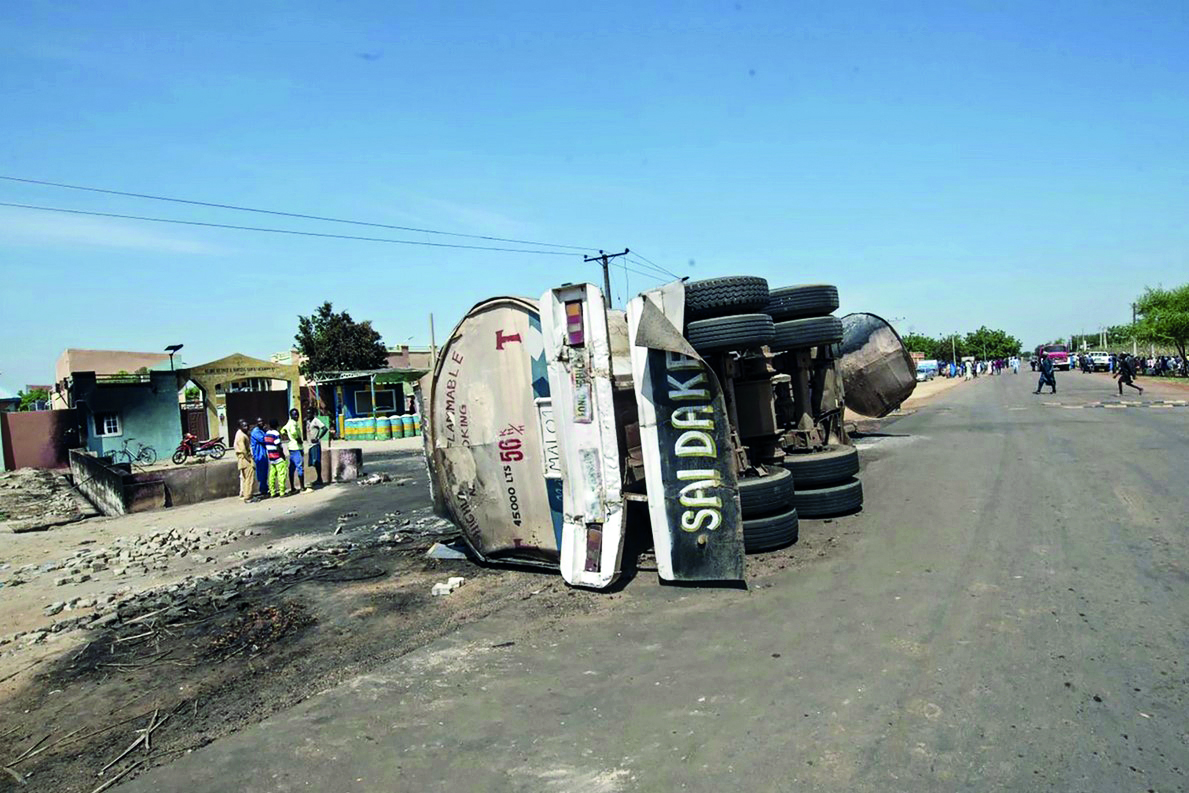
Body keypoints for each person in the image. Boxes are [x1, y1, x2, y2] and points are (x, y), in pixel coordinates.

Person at [281, 407, 307, 493]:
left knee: (292, 468)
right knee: (299, 467)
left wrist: (287, 436)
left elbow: (282, 430)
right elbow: (293, 432)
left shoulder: (289, 423)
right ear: (291, 416)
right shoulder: (293, 424)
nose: (296, 416)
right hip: (296, 447)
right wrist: (297, 438)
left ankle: (292, 487)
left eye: (297, 414)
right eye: (294, 415)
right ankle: (302, 487)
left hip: (291, 447)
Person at [233, 419, 254, 503]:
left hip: (242, 458)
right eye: (244, 426)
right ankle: (248, 496)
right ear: (240, 427)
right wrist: (249, 459)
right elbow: (243, 449)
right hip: (245, 458)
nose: (246, 427)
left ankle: (246, 495)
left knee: (245, 478)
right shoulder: (241, 436)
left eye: (247, 425)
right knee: (249, 478)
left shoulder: (240, 434)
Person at [264, 419, 287, 497]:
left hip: (271, 457)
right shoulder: (276, 434)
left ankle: (272, 492)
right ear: (277, 426)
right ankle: (282, 492)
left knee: (272, 475)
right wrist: (282, 455)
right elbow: (278, 446)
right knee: (281, 475)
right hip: (278, 457)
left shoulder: (266, 434)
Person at [307, 410, 328, 488]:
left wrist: (318, 438)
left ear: (313, 414)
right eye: (307, 413)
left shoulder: (316, 421)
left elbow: (325, 428)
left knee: (316, 461)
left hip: (315, 444)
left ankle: (320, 478)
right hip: (310, 445)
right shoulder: (308, 422)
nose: (308, 414)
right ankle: (318, 478)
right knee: (313, 462)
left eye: (310, 413)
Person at [249, 417, 269, 497]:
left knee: (265, 472)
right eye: (259, 422)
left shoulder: (261, 431)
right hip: (259, 455)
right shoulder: (256, 432)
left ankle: (265, 488)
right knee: (261, 473)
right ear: (256, 423)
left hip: (263, 454)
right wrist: (267, 432)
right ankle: (263, 490)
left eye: (262, 421)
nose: (261, 423)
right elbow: (264, 440)